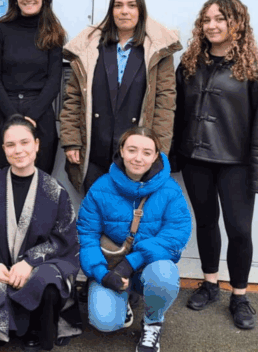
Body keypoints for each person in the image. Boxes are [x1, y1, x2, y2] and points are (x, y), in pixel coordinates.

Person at [172, 0, 258, 330]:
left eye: (220, 19)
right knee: (205, 222)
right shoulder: (190, 62)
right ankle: (210, 284)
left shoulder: (257, 66)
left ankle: (240, 295)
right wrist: (173, 157)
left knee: (238, 230)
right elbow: (176, 113)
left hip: (236, 163)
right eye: (207, 19)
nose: (212, 25)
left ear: (237, 24)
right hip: (196, 160)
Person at [0, 115, 82, 351]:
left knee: (48, 282)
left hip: (39, 267)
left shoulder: (55, 191)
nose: (18, 150)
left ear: (36, 144)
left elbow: (64, 239)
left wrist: (30, 263)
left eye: (25, 142)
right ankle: (11, 327)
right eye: (11, 145)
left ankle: (38, 332)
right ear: (3, 149)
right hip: (2, 267)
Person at [77, 126, 191, 352]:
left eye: (147, 152)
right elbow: (87, 236)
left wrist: (131, 262)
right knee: (105, 322)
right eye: (132, 150)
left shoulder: (170, 189)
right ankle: (124, 300)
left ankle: (152, 322)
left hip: (149, 266)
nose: (138, 158)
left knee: (165, 275)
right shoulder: (101, 187)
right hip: (112, 267)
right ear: (121, 151)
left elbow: (175, 235)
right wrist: (103, 274)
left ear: (156, 156)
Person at [59, 0, 181, 194]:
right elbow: (73, 98)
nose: (124, 11)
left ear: (140, 11)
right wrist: (71, 141)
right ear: (111, 11)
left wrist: (158, 151)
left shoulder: (156, 52)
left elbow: (165, 105)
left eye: (131, 5)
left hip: (136, 154)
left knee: (130, 217)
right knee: (94, 213)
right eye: (118, 5)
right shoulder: (91, 49)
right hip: (94, 150)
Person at [0, 0, 67, 176]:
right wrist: (14, 118)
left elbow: (54, 81)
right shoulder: (2, 28)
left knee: (38, 186)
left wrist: (30, 118)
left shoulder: (53, 31)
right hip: (5, 113)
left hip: (40, 116)